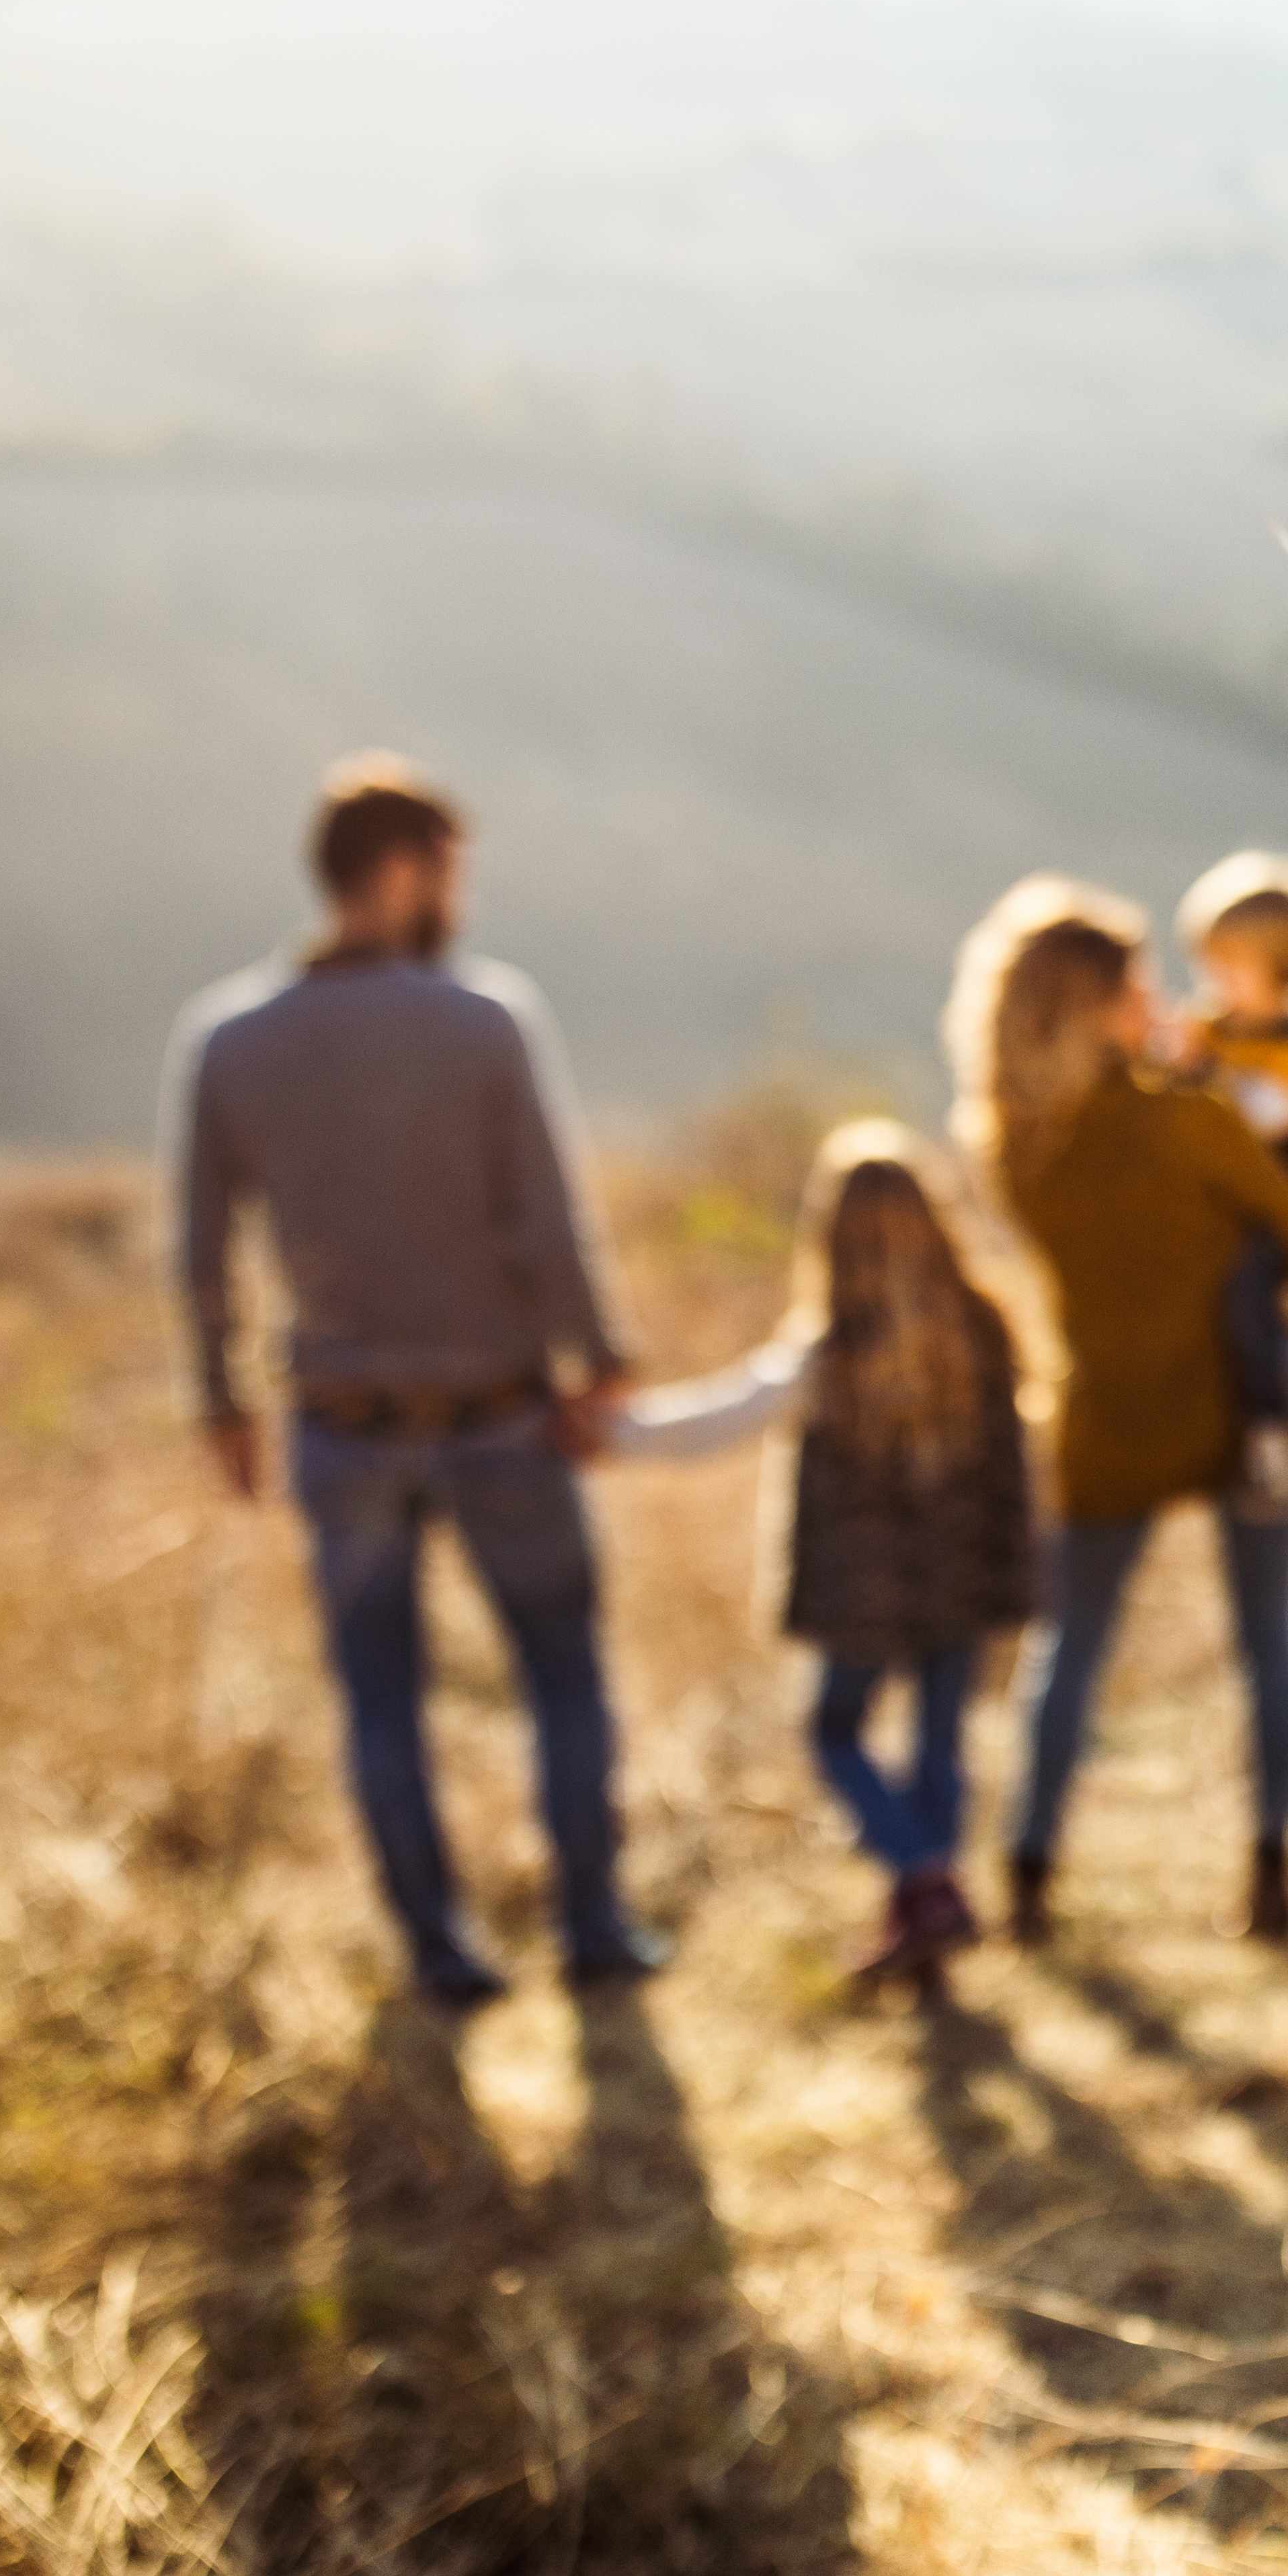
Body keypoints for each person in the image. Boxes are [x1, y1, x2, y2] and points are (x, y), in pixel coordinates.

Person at [165, 751, 666, 2005]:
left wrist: (220, 1402)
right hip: (496, 1410)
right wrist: (598, 1361)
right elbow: (545, 1224)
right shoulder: (482, 1019)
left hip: (338, 1425)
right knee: (562, 1672)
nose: (460, 902)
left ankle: (441, 1952)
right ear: (401, 871)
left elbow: (200, 1243)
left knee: (379, 1696)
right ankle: (593, 1929)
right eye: (451, 873)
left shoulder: (229, 1038)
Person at [948, 876, 1288, 1949]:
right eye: (1141, 983)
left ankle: (1028, 1873)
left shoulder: (1013, 1147)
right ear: (1104, 1004)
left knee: (1067, 1648)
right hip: (1242, 1400)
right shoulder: (1189, 1122)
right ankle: (1271, 1870)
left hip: (1106, 1409)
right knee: (1269, 1640)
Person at [617, 1122, 1041, 1985]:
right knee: (939, 1744)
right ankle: (926, 1904)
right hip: (962, 1579)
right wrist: (1017, 1568)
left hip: (864, 1595)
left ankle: (923, 1882)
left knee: (834, 1731)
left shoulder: (830, 1347)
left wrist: (613, 1432)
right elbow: (1019, 1465)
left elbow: (723, 1417)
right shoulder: (984, 1327)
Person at [1168, 849, 1288, 1521]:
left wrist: (1203, 1073)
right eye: (1207, 963)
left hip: (1267, 1214)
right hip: (1207, 1209)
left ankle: (1271, 1433)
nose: (1214, 981)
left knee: (1249, 1304)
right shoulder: (1209, 1032)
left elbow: (1266, 1117)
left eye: (1230, 965)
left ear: (1281, 969)